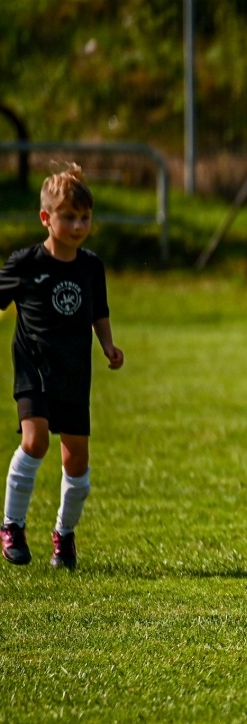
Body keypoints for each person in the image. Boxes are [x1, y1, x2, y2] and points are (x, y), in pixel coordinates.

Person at [0, 164, 124, 571]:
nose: (78, 225)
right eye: (69, 217)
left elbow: (99, 310)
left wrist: (108, 345)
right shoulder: (26, 263)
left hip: (74, 372)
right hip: (34, 367)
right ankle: (12, 526)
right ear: (45, 218)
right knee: (35, 442)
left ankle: (64, 536)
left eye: (85, 217)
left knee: (77, 462)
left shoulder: (91, 266)